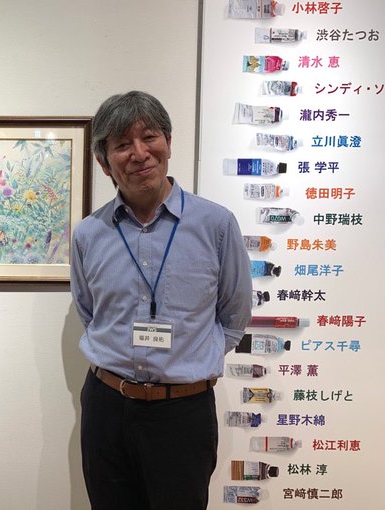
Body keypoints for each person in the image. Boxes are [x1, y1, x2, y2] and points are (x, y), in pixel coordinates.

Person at [70, 91, 253, 510]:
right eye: (122, 144)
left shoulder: (216, 225)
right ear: (104, 162)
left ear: (168, 143)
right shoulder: (88, 234)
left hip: (183, 414)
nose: (139, 153)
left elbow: (234, 315)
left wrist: (189, 361)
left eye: (149, 137)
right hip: (106, 407)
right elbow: (90, 313)